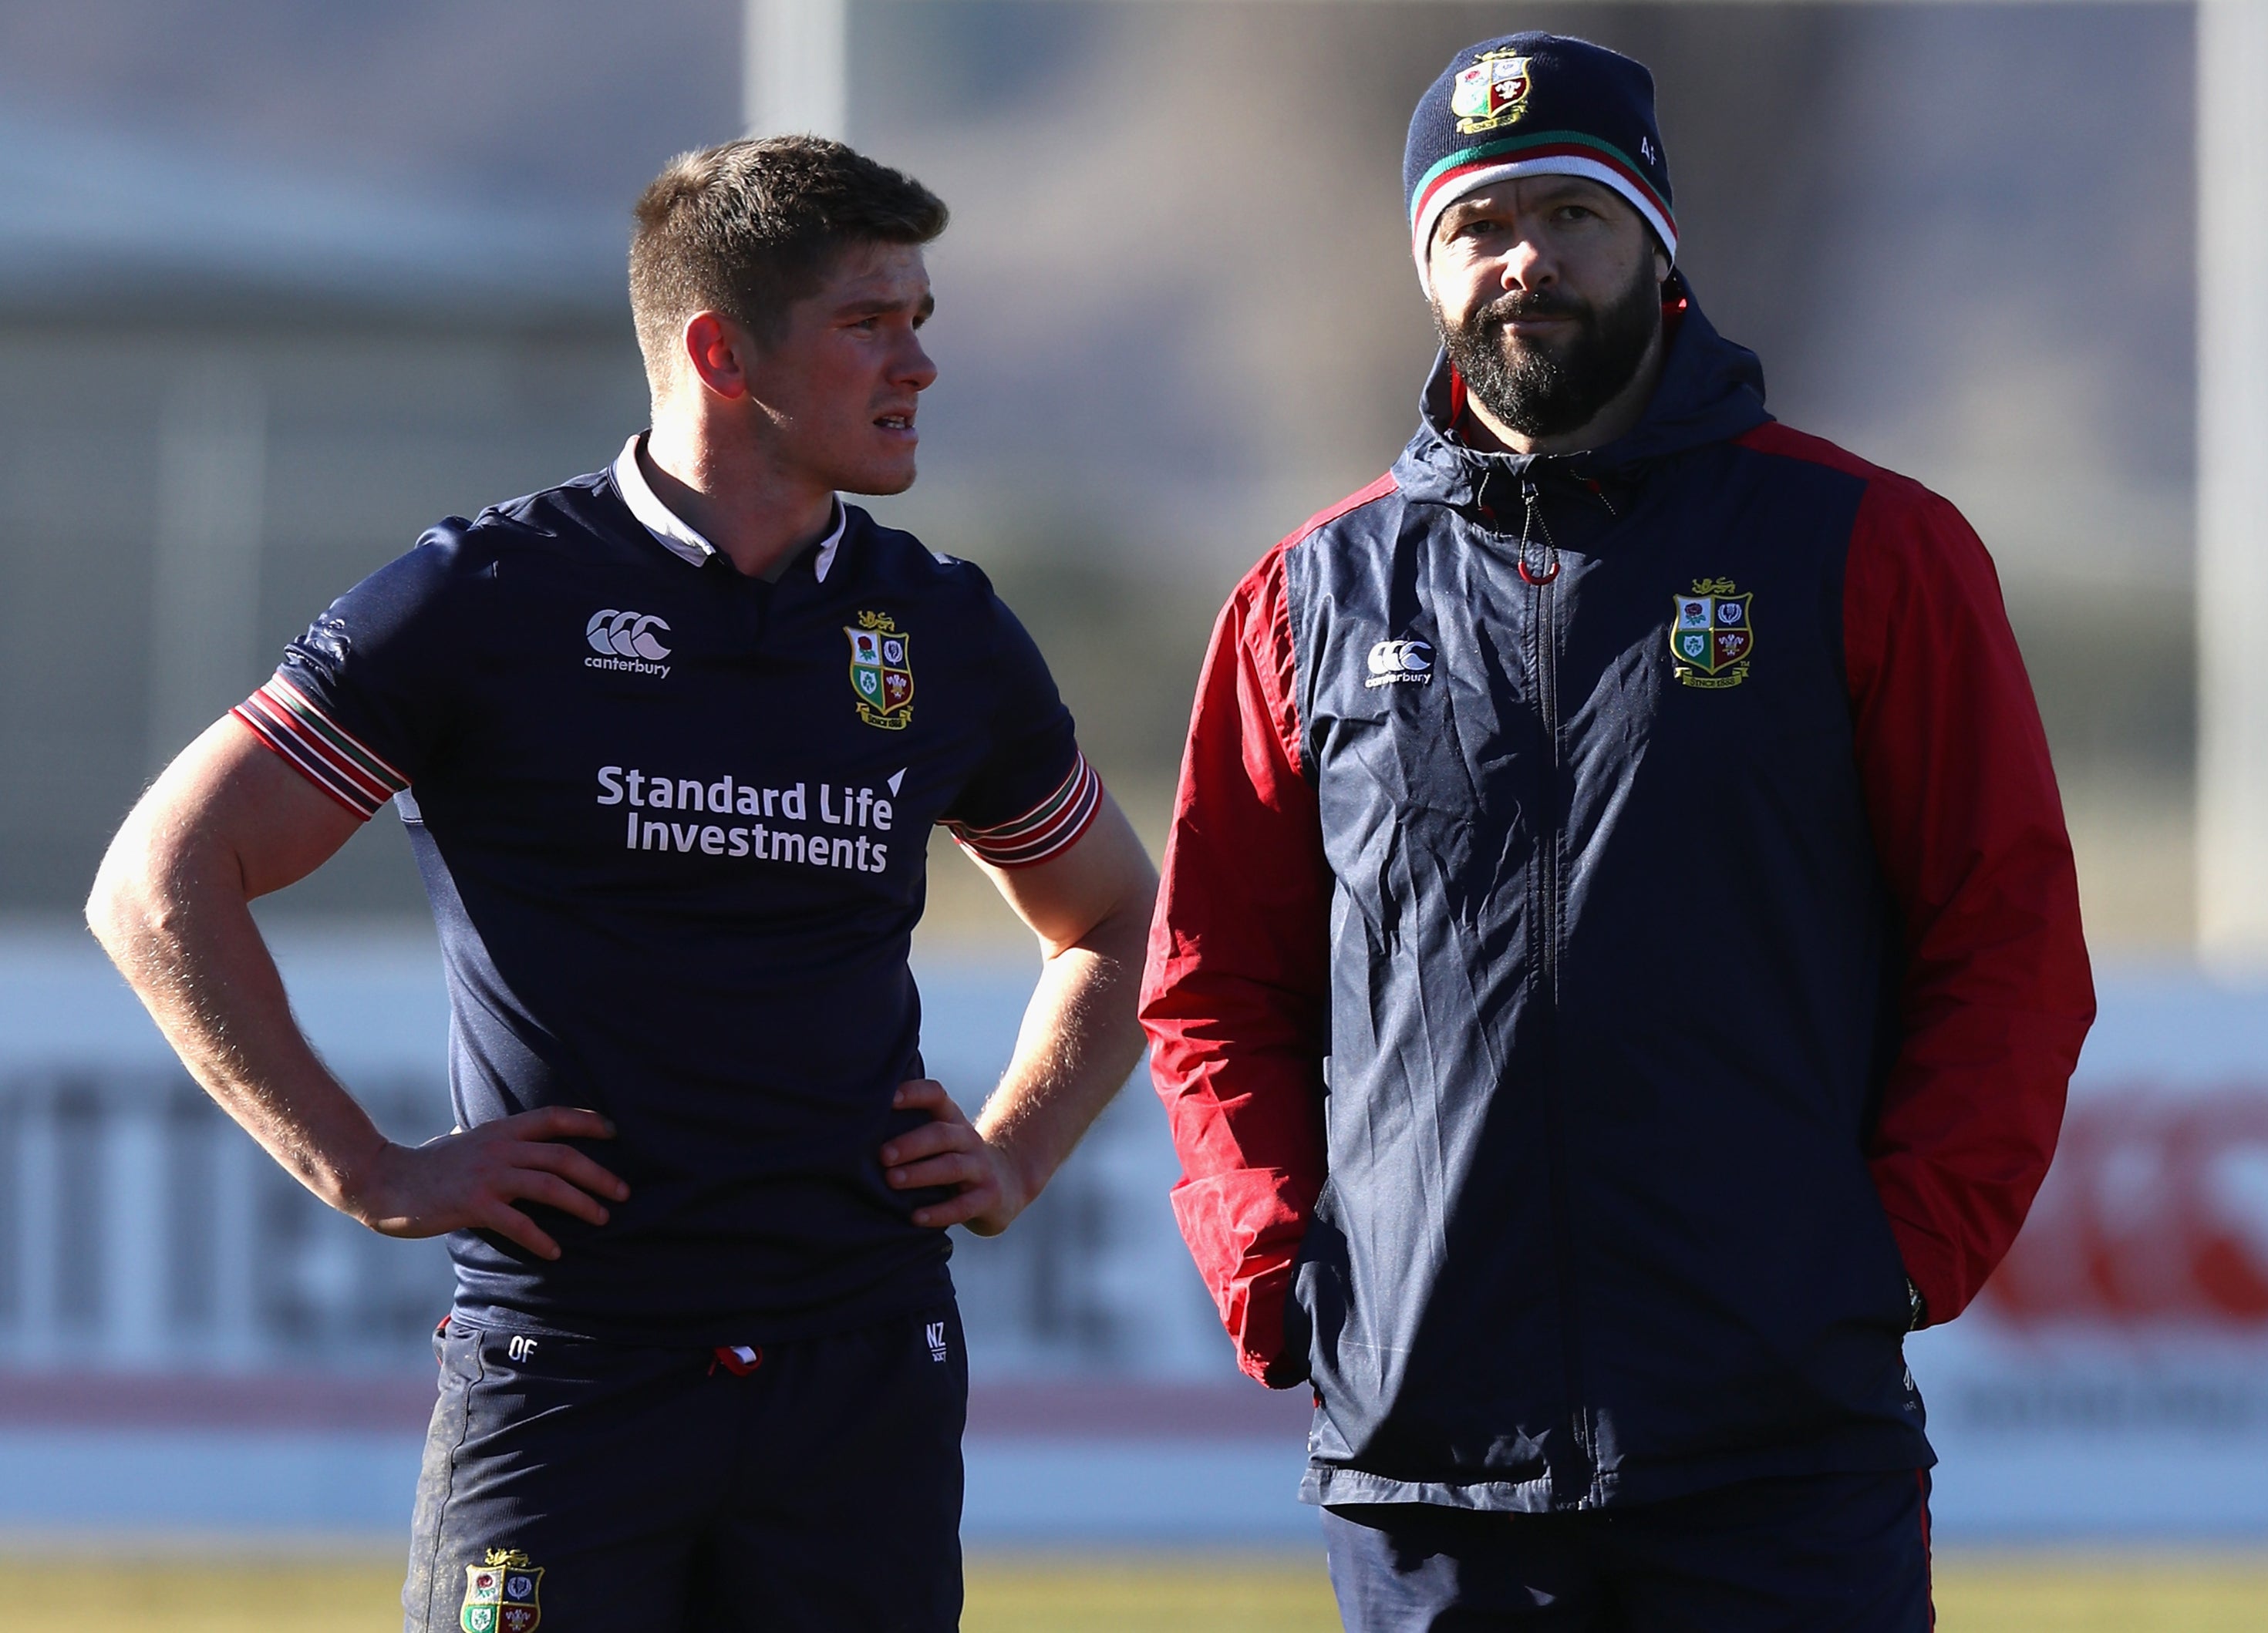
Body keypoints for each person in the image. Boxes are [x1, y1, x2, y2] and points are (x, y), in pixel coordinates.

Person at [86, 136, 1154, 1633]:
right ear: (721, 351)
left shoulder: (943, 632)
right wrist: (370, 1169)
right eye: (869, 322)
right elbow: (160, 881)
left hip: (859, 1375)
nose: (918, 364)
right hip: (572, 1369)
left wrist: (1018, 1149)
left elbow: (1114, 914)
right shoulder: (488, 597)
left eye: (922, 319)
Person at [1141, 33, 2094, 1631]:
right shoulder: (1304, 601)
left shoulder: (1870, 550)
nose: (1526, 262)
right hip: (1427, 1471)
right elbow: (1211, 985)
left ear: (1657, 239)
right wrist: (1274, 1264)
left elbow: (2003, 938)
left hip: (1776, 1456)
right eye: (1478, 225)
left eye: (1571, 216)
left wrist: (1893, 1258)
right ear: (1428, 270)